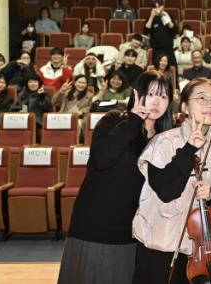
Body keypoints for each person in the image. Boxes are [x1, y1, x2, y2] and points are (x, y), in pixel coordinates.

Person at [59, 71, 173, 284]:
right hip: (94, 226)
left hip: (132, 232)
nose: (157, 101)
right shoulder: (113, 121)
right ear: (136, 94)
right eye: (150, 94)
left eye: (164, 96)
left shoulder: (165, 140)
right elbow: (101, 159)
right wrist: (133, 120)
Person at [132, 78, 211, 284]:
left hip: (202, 254)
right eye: (201, 98)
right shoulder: (163, 142)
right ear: (184, 106)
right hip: (160, 248)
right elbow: (166, 191)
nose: (209, 103)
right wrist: (189, 149)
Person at [145, 2, 177, 69]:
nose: (157, 9)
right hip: (156, 49)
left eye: (159, 6)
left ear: (163, 6)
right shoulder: (150, 17)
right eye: (155, 7)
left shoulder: (168, 15)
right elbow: (146, 31)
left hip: (168, 48)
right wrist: (152, 16)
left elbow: (174, 30)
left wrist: (167, 18)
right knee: (157, 69)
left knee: (172, 69)